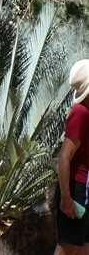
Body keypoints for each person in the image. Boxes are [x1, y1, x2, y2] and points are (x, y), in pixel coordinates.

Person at [54, 59, 89, 255]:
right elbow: (64, 157)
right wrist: (66, 197)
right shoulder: (81, 113)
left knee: (84, 246)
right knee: (68, 246)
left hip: (85, 188)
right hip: (76, 190)